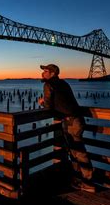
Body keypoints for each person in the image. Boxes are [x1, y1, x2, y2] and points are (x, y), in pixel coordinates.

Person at [38, 64, 96, 193]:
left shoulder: (48, 85)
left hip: (70, 121)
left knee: (78, 151)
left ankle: (88, 182)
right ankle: (80, 179)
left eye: (46, 71)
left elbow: (48, 107)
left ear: (52, 73)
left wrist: (42, 103)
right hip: (77, 119)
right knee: (75, 151)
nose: (43, 73)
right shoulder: (64, 83)